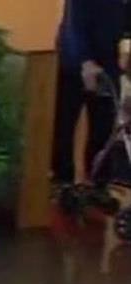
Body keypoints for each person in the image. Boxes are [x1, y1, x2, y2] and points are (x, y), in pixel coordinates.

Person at [52, 0, 131, 185]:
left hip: (108, 62)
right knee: (63, 127)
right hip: (74, 63)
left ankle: (98, 184)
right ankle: (62, 185)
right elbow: (74, 27)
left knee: (104, 128)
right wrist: (85, 62)